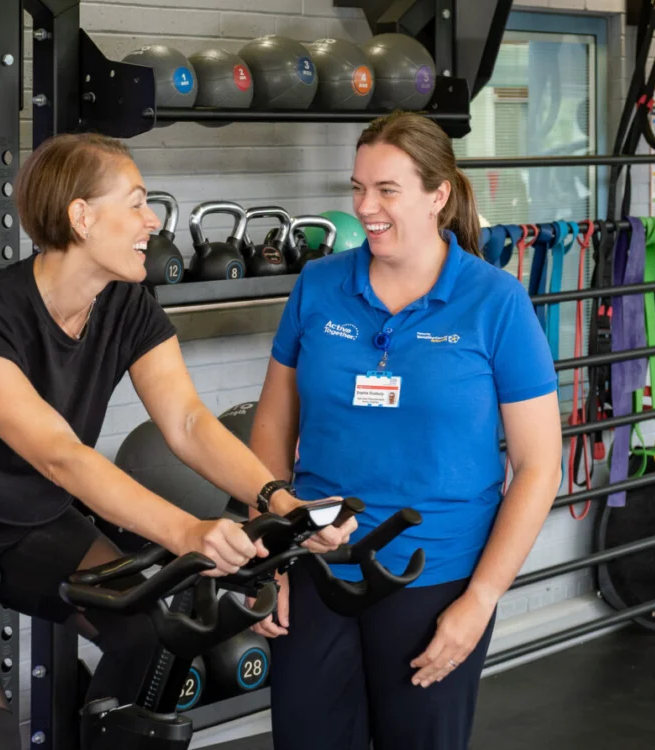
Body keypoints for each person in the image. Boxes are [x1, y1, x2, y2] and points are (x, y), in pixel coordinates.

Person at [0, 132, 355, 750]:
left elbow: (188, 422)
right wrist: (187, 533)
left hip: (24, 521)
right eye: (137, 203)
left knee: (150, 633)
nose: (152, 221)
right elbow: (60, 455)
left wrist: (281, 502)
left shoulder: (127, 304)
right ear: (81, 217)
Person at [249, 111, 564, 750]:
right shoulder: (318, 285)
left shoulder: (495, 301)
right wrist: (273, 554)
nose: (366, 207)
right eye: (357, 188)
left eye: (387, 190)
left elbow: (538, 467)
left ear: (438, 195)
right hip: (317, 567)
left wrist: (480, 601)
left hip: (436, 575)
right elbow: (272, 428)